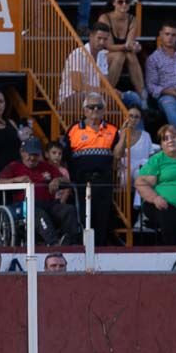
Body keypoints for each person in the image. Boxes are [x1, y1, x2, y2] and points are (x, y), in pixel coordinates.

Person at [0, 137, 82, 246]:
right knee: (39, 214)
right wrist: (16, 180)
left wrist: (57, 180)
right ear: (22, 152)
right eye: (29, 154)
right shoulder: (14, 166)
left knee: (69, 210)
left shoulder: (46, 166)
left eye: (36, 155)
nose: (32, 158)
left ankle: (71, 243)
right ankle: (54, 244)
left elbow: (66, 180)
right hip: (24, 206)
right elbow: (0, 183)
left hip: (48, 204)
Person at [65, 93, 120, 245]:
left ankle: (101, 250)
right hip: (81, 181)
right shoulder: (74, 129)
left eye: (99, 107)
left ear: (104, 110)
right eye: (91, 107)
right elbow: (65, 157)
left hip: (104, 181)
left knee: (102, 218)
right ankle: (82, 249)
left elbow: (118, 156)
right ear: (84, 110)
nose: (95, 109)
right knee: (82, 216)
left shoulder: (113, 130)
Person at [98, 0, 147, 106]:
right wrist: (128, 47)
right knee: (121, 55)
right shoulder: (105, 18)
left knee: (130, 54)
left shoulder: (132, 19)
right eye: (120, 1)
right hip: (103, 54)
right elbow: (108, 46)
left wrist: (133, 47)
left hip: (122, 53)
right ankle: (107, 93)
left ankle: (142, 96)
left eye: (127, 1)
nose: (124, 4)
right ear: (114, 3)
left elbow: (129, 43)